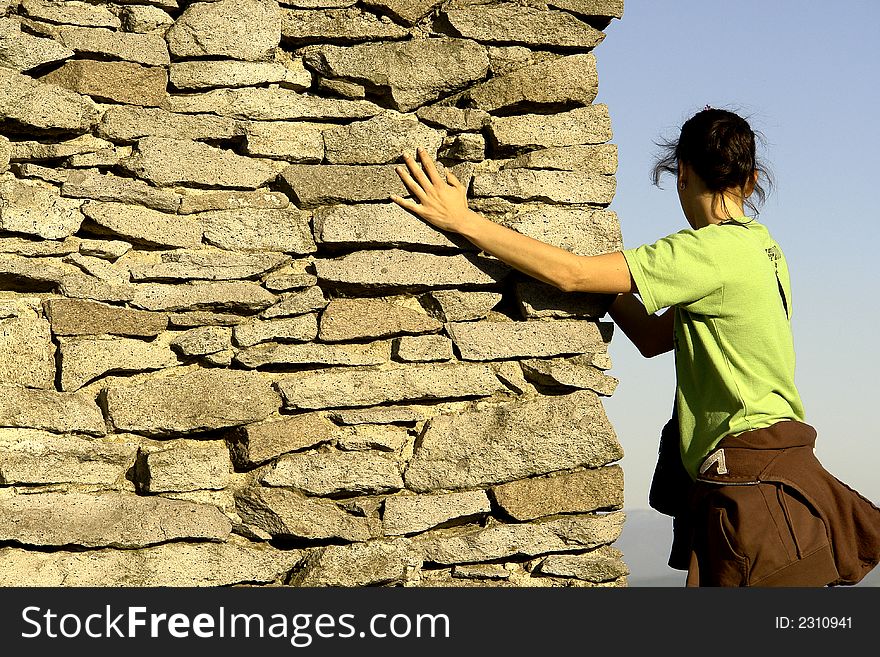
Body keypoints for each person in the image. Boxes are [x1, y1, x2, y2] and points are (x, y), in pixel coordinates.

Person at [390, 106, 880, 587]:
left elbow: (571, 272)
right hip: (781, 469)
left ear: (682, 173)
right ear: (750, 180)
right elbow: (653, 337)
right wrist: (607, 287)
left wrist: (464, 221)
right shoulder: (764, 248)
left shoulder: (707, 251)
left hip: (748, 483)